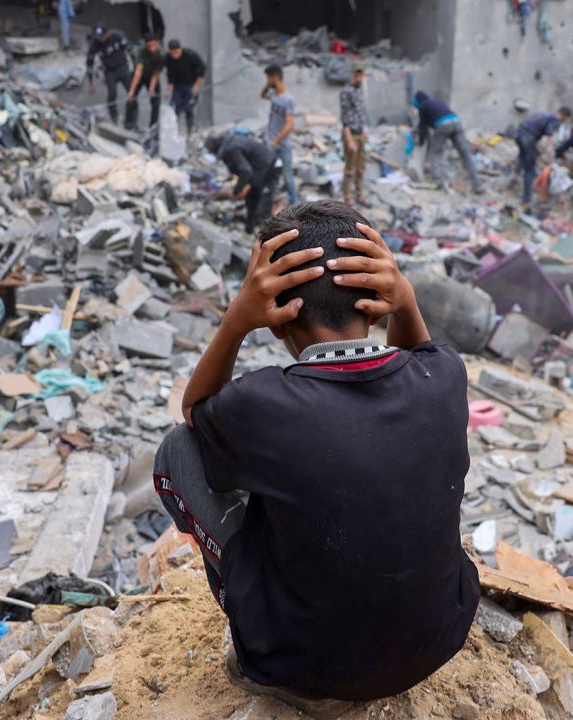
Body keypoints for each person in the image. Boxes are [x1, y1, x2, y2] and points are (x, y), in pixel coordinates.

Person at [152, 200, 479, 716]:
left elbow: (193, 411)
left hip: (302, 666)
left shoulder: (261, 403)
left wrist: (236, 322)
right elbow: (423, 359)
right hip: (434, 643)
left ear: (277, 320)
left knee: (180, 450)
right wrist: (407, 305)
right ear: (377, 298)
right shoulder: (446, 378)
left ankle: (258, 630)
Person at [206, 132, 282, 233]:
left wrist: (237, 190)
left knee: (264, 204)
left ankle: (265, 236)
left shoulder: (231, 149)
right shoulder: (231, 141)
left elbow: (246, 171)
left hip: (270, 167)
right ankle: (249, 230)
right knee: (251, 200)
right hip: (259, 170)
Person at [412, 91, 483, 194]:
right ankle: (477, 185)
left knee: (436, 152)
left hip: (443, 124)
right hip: (456, 122)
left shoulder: (423, 107)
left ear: (418, 101)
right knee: (465, 154)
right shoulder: (437, 102)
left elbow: (422, 127)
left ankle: (438, 181)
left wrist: (421, 141)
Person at [262, 65, 298, 204]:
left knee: (288, 177)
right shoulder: (273, 95)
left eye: (269, 77)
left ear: (275, 77)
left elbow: (289, 125)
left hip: (282, 145)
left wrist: (276, 141)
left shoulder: (287, 99)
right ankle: (269, 202)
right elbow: (263, 94)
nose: (267, 80)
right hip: (269, 141)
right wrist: (269, 84)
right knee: (269, 174)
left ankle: (295, 204)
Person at [85, 25, 133, 125]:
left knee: (131, 93)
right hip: (109, 71)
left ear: (107, 34)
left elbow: (130, 51)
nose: (100, 39)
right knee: (112, 95)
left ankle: (130, 120)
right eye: (98, 37)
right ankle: (114, 118)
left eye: (102, 37)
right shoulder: (95, 44)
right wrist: (91, 82)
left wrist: (136, 69)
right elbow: (89, 63)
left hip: (122, 67)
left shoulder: (117, 36)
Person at [511, 112, 561, 207]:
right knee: (530, 170)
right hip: (528, 137)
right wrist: (551, 148)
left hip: (518, 133)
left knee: (522, 155)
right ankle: (526, 199)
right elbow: (549, 131)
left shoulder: (542, 114)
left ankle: (514, 176)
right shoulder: (555, 119)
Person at [339, 64, 369, 206]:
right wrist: (349, 138)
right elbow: (345, 117)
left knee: (361, 167)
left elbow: (360, 113)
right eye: (356, 75)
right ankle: (347, 197)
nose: (359, 78)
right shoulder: (346, 91)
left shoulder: (359, 90)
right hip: (351, 134)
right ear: (352, 74)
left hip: (360, 132)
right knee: (350, 169)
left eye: (361, 75)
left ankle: (359, 195)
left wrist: (363, 131)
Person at [164, 39, 206, 136]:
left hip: (190, 84)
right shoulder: (168, 58)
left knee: (188, 107)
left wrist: (197, 85)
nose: (175, 55)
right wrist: (169, 90)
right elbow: (170, 74)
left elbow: (202, 68)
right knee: (175, 107)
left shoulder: (190, 55)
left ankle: (190, 130)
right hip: (177, 86)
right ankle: (174, 131)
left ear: (181, 49)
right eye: (172, 53)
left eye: (177, 52)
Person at [125, 34, 165, 132]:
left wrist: (151, 88)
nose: (152, 48)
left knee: (156, 101)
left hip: (152, 76)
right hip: (140, 76)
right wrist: (131, 91)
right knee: (131, 98)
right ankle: (129, 124)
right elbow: (138, 72)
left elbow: (156, 73)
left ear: (157, 43)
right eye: (149, 46)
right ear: (145, 45)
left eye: (154, 45)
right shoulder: (142, 52)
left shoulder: (161, 54)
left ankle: (153, 127)